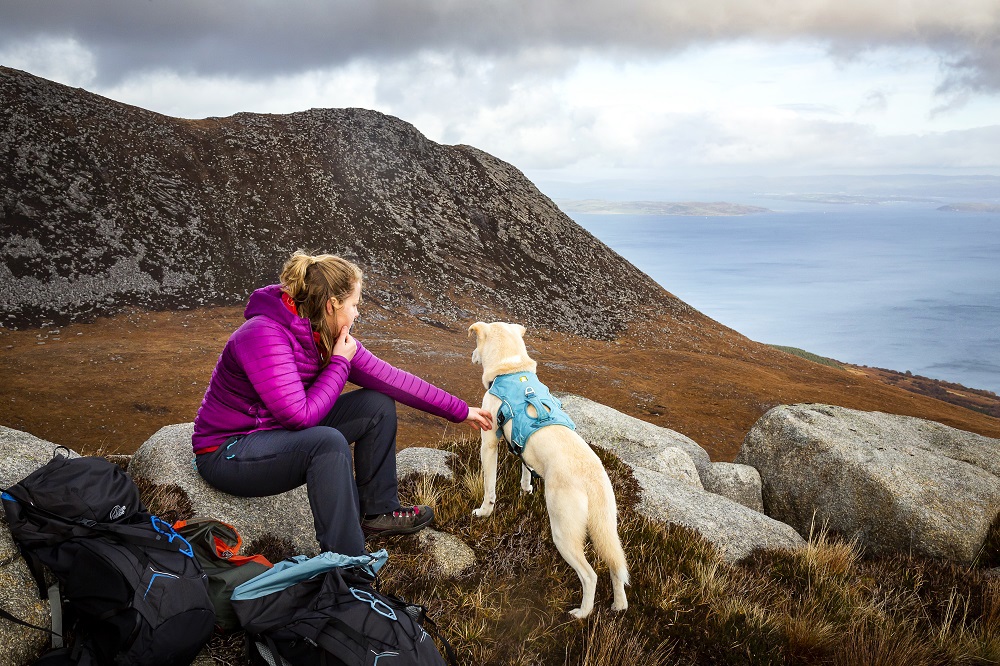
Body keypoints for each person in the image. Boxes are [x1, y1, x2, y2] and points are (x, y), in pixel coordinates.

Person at [192, 250, 492, 556]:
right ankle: (348, 560)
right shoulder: (263, 334)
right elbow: (300, 418)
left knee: (377, 404)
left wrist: (460, 410)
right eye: (354, 305)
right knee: (326, 443)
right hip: (228, 452)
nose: (357, 313)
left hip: (276, 434)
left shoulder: (324, 332)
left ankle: (377, 513)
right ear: (332, 304)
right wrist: (338, 364)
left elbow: (395, 380)